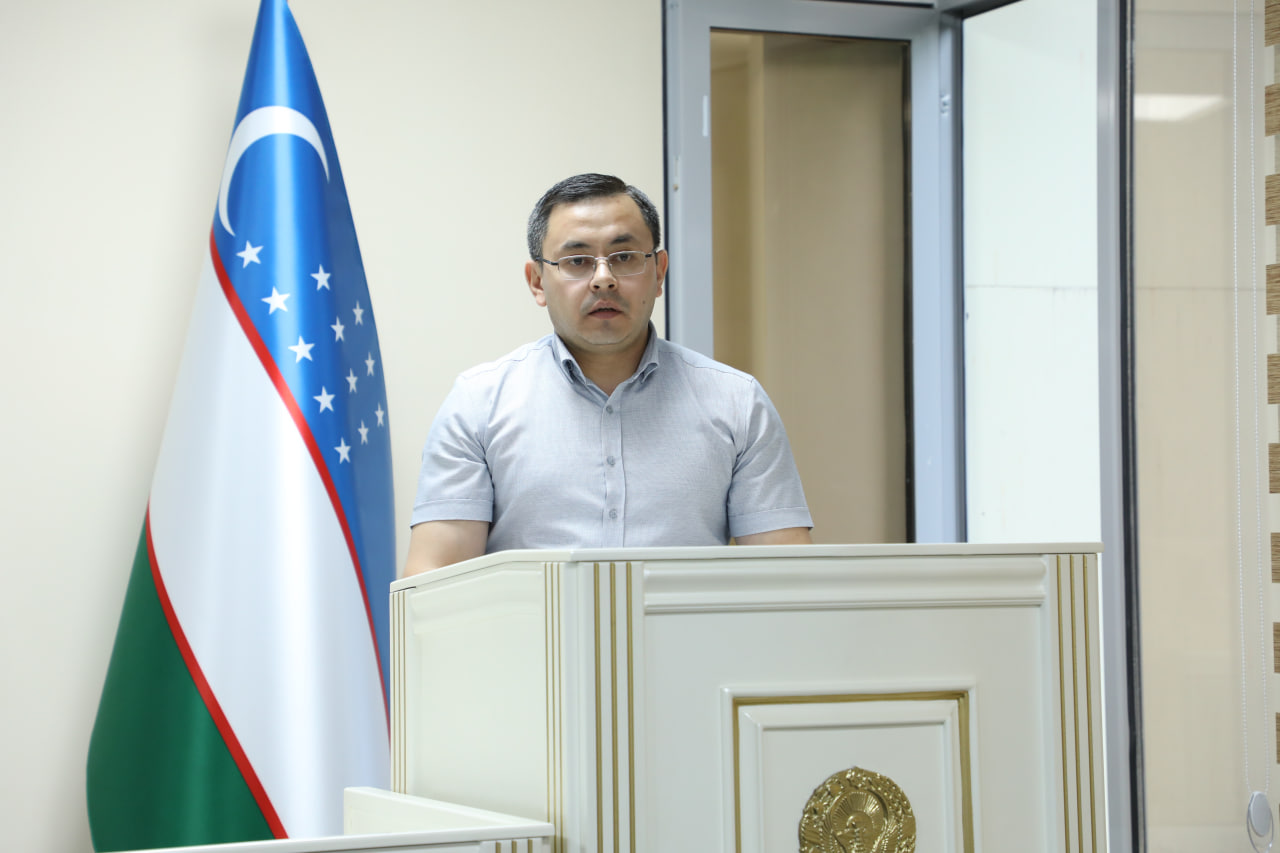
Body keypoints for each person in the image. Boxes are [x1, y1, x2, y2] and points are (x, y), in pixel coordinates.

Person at [403, 173, 811, 575]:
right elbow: (434, 583)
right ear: (537, 281)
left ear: (659, 272)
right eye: (577, 261)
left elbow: (787, 580)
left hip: (684, 624)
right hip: (530, 624)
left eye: (624, 257)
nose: (603, 279)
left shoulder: (737, 402)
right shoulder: (479, 403)